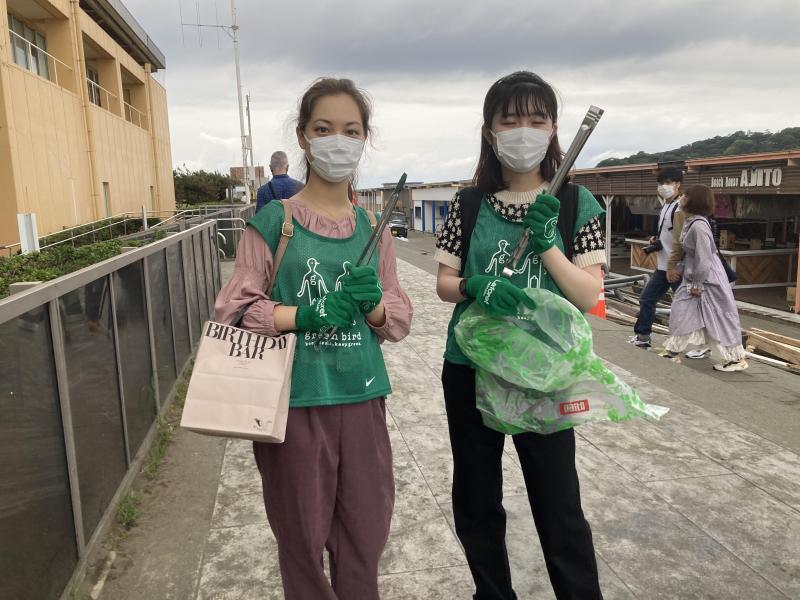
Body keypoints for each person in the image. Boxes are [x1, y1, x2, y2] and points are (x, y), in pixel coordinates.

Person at [214, 77, 413, 599]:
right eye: (324, 128)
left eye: (351, 130)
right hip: (293, 406)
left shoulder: (375, 226)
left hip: (363, 398)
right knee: (301, 543)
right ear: (302, 137)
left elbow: (398, 318)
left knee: (365, 536)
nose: (338, 141)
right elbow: (232, 311)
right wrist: (301, 314)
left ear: (364, 139)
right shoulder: (272, 222)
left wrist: (372, 306)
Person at [435, 71, 606, 600]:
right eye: (509, 121)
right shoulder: (466, 205)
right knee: (477, 497)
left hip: (546, 375)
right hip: (469, 368)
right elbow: (444, 283)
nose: (523, 131)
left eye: (536, 120)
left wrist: (549, 243)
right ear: (489, 131)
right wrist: (474, 286)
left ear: (554, 130)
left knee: (558, 502)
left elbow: (590, 298)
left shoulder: (579, 205)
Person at [660, 185, 748, 372]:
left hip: (706, 279)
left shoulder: (698, 225)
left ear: (693, 200)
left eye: (685, 195)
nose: (681, 198)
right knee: (685, 311)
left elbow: (703, 257)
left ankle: (734, 359)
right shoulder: (693, 221)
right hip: (697, 276)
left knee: (717, 316)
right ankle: (672, 351)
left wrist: (697, 283)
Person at [628, 166, 687, 348]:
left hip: (676, 267)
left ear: (677, 184)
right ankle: (643, 336)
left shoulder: (680, 207)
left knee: (687, 307)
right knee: (647, 299)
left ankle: (700, 345)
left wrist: (673, 266)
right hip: (663, 266)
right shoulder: (666, 206)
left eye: (668, 182)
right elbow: (669, 234)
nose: (663, 186)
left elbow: (681, 239)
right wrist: (656, 238)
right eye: (661, 183)